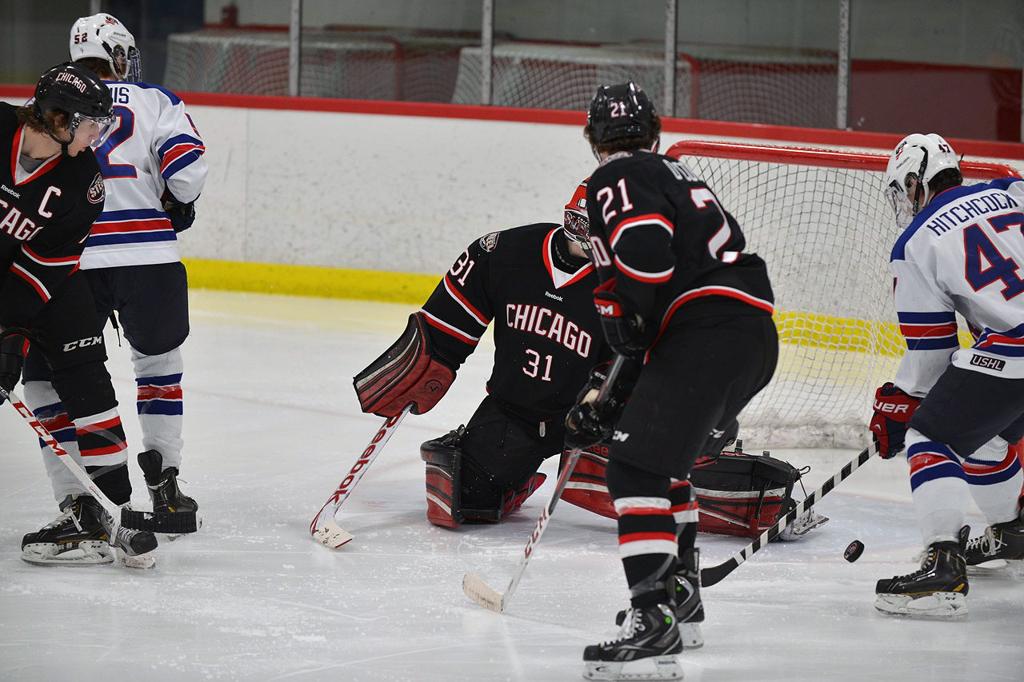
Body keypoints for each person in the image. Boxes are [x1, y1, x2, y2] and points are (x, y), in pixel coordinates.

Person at [566, 81, 778, 681]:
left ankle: (651, 618)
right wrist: (619, 391)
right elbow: (659, 307)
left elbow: (647, 263)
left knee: (633, 470)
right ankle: (682, 602)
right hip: (750, 335)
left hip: (707, 333)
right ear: (655, 131)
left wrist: (623, 316)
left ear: (591, 139)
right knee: (665, 463)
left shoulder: (616, 177)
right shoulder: (677, 175)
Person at [22, 13, 207, 529]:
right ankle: (166, 490)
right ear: (122, 56)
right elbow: (187, 177)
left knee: (49, 381)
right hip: (150, 259)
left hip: (70, 262)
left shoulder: (53, 107)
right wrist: (173, 199)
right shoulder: (155, 99)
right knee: (159, 371)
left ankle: (81, 502)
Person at [354, 180, 626, 529]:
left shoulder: (628, 282)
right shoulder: (507, 253)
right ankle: (517, 479)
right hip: (515, 414)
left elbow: (636, 361)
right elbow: (445, 326)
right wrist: (426, 361)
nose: (585, 239)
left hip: (588, 416)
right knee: (466, 498)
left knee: (648, 501)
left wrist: (606, 398)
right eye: (578, 225)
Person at [1, 62, 156, 564]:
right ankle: (82, 510)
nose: (98, 135)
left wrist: (9, 335)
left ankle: (120, 504)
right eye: (92, 124)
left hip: (53, 291)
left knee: (90, 389)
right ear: (60, 119)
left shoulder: (83, 180)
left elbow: (48, 264)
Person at [870, 133, 1024, 619]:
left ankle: (943, 566)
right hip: (1011, 355)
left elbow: (933, 358)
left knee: (931, 436)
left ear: (915, 182)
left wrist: (902, 402)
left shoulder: (915, 242)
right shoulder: (1012, 190)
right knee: (988, 433)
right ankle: (1012, 533)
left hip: (1016, 350)